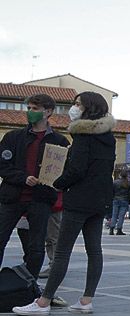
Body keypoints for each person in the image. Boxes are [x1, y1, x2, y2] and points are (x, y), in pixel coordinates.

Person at [12, 93, 116, 316]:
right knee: (94, 250)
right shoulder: (109, 137)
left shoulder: (82, 135)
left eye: (77, 104)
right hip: (99, 201)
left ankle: (43, 302)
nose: (73, 108)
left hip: (78, 200)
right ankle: (86, 300)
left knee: (61, 252)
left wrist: (56, 183)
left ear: (88, 108)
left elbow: (77, 170)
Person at [0, 93, 71, 277]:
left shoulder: (59, 141)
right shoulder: (13, 137)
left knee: (36, 246)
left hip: (40, 200)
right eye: (28, 108)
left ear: (48, 112)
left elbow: (63, 172)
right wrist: (22, 177)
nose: (30, 112)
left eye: (35, 109)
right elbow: (3, 166)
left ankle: (30, 283)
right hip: (11, 197)